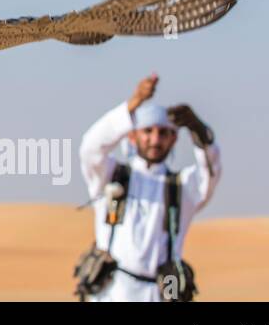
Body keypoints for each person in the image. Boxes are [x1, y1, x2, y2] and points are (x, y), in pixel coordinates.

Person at [76, 73, 221, 301]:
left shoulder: (183, 188)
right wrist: (134, 102)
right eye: (148, 131)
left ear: (173, 139)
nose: (155, 140)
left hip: (159, 294)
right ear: (132, 136)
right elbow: (90, 148)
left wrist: (198, 129)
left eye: (164, 133)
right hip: (110, 294)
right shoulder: (110, 175)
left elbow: (211, 172)